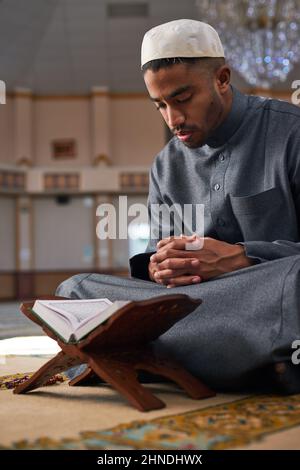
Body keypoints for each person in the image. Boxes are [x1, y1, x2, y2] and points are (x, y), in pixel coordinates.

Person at [56, 19, 300, 392]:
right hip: (199, 305)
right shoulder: (166, 166)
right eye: (160, 106)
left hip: (270, 294)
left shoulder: (291, 133)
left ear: (221, 78)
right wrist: (160, 267)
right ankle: (251, 360)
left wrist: (242, 257)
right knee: (75, 292)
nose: (173, 119)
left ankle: (134, 355)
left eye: (182, 99)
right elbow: (164, 277)